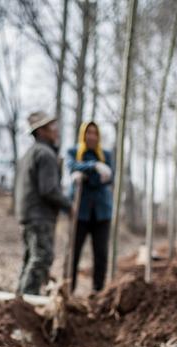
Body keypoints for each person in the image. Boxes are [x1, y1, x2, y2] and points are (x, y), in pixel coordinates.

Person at [15, 111, 72, 295]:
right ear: (41, 131)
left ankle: (20, 300)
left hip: (28, 215)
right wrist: (69, 206)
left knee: (30, 258)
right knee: (42, 258)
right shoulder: (46, 154)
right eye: (52, 128)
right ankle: (27, 303)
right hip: (40, 215)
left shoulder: (30, 153)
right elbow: (49, 190)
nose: (56, 131)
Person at [66, 122, 113, 293]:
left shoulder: (106, 155)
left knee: (101, 253)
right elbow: (71, 166)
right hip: (80, 212)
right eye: (88, 133)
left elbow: (107, 178)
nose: (92, 136)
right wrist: (94, 167)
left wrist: (86, 173)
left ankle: (98, 291)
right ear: (82, 135)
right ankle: (69, 289)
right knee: (74, 252)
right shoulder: (73, 152)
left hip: (102, 213)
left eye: (95, 133)